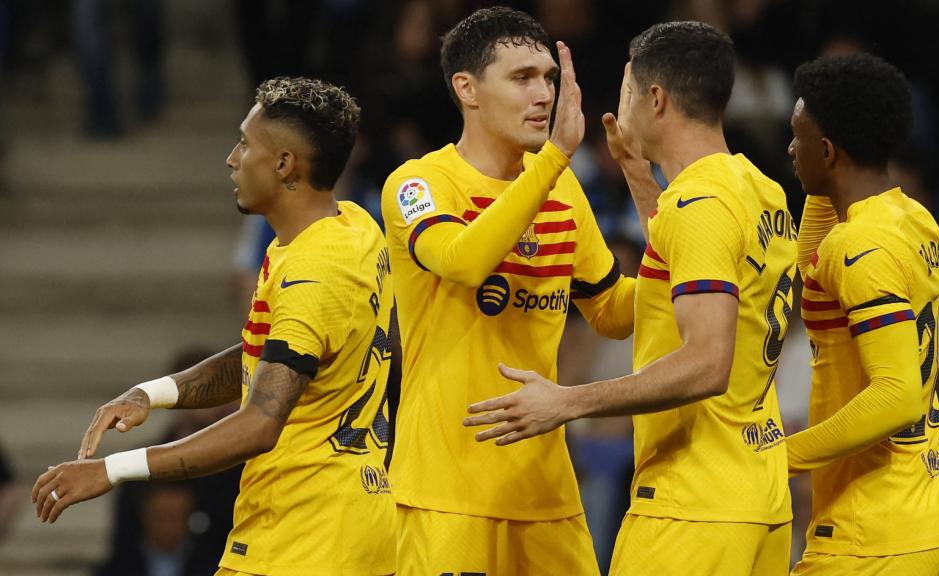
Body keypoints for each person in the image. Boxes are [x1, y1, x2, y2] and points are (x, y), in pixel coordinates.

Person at [464, 21, 796, 575]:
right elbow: (685, 264)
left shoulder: (701, 206)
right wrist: (641, 179)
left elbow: (708, 363)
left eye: (625, 90)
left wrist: (567, 401)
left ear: (656, 100)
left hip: (694, 506)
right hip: (759, 499)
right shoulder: (758, 189)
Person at [31, 77, 398, 576]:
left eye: (245, 144)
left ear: (284, 164)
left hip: (303, 539)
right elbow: (270, 360)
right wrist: (154, 393)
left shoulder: (315, 273)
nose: (231, 158)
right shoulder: (352, 227)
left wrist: (112, 470)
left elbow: (259, 424)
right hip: (349, 521)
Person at [380, 7, 645, 574]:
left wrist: (694, 276)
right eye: (522, 78)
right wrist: (551, 162)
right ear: (467, 89)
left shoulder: (558, 184)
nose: (543, 94)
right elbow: (463, 261)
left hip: (546, 492)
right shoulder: (419, 183)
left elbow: (611, 312)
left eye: (549, 77)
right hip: (446, 495)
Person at [786, 53, 939, 574]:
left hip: (875, 538)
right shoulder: (911, 218)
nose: (789, 149)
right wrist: (825, 183)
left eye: (797, 137)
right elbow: (813, 268)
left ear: (827, 150)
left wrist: (777, 457)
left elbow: (895, 397)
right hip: (934, 515)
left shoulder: (861, 246)